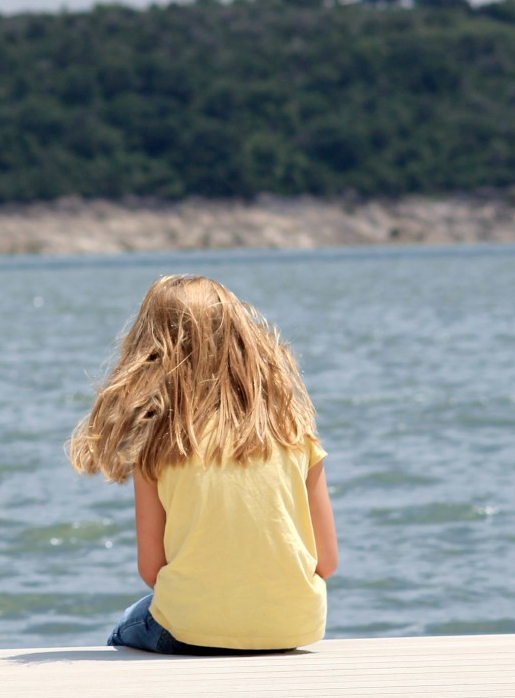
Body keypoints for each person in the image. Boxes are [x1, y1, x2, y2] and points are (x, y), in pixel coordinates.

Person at [68, 274, 338, 654]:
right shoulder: (294, 433)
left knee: (127, 625)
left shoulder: (159, 446)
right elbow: (326, 562)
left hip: (190, 631)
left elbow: (152, 572)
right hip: (294, 627)